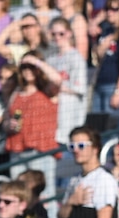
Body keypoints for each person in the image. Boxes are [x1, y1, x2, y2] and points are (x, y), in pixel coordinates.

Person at [3, 53, 59, 211]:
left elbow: (57, 80)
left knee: (45, 196)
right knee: (16, 195)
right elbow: (6, 121)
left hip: (41, 150)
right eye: (24, 67)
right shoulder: (15, 93)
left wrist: (35, 61)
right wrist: (10, 125)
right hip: (18, 150)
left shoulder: (47, 90)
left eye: (31, 67)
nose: (28, 70)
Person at [37, 19, 88, 152]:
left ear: (69, 33)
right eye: (53, 34)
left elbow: (80, 87)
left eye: (61, 33)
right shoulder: (51, 58)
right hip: (54, 116)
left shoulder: (76, 57)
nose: (57, 37)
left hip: (70, 115)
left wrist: (58, 86)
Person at [92, 3, 119, 113]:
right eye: (107, 9)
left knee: (111, 124)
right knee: (97, 123)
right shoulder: (105, 30)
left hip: (114, 85)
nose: (110, 13)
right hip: (100, 82)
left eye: (114, 9)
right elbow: (96, 57)